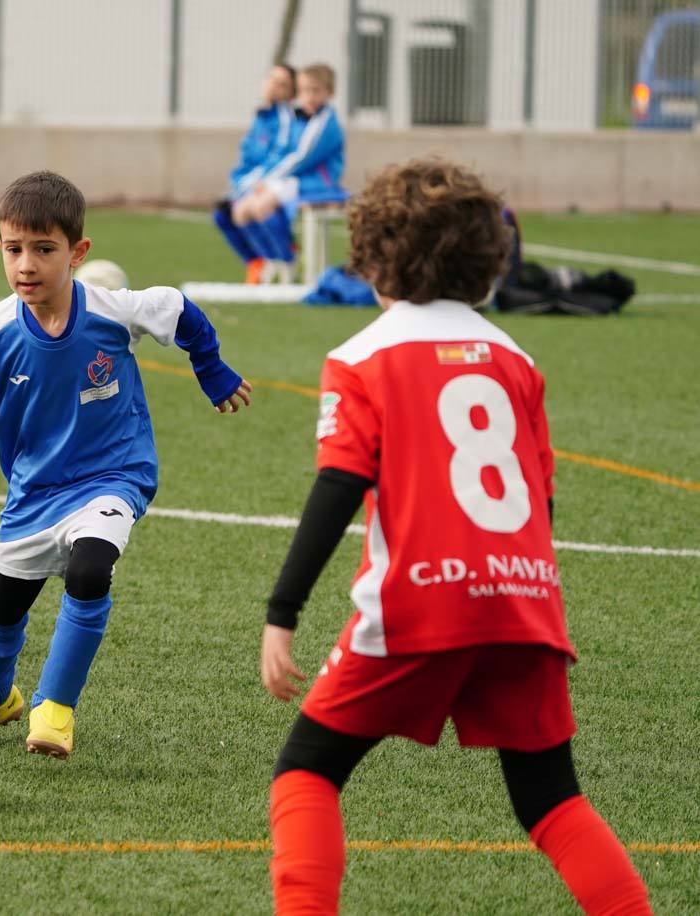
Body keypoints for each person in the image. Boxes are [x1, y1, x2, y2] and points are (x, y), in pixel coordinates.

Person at [258, 158, 651, 914]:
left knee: (306, 773)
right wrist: (514, 590)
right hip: (526, 602)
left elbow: (338, 487)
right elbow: (541, 502)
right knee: (551, 800)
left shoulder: (362, 359)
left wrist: (282, 613)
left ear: (372, 255)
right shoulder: (517, 360)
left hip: (419, 605)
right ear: (487, 262)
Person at [0, 171, 252, 759]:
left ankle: (55, 708)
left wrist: (212, 370)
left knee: (91, 571)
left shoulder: (112, 312)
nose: (27, 265)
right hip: (34, 491)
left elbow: (180, 310)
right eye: (14, 250)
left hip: (113, 474)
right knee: (5, 604)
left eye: (45, 250)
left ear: (77, 253)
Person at [229, 63, 345, 282]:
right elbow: (282, 152)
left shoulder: (326, 122)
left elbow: (301, 157)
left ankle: (287, 260)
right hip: (292, 179)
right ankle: (272, 257)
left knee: (261, 205)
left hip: (317, 182)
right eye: (304, 91)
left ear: (329, 93)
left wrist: (266, 180)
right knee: (241, 210)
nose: (308, 97)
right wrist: (257, 180)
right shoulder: (299, 118)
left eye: (315, 91)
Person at [213, 63, 296, 282]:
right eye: (271, 79)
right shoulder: (260, 117)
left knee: (256, 209)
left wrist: (251, 183)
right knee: (222, 214)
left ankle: (284, 258)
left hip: (272, 183)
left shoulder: (285, 118)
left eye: (282, 84)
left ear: (290, 92)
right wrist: (237, 183)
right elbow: (247, 157)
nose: (274, 87)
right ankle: (256, 261)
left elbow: (279, 156)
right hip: (249, 183)